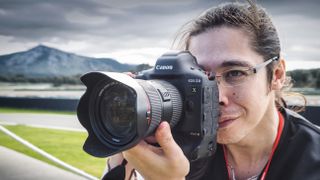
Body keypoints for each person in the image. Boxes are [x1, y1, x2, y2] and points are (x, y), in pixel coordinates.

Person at [102, 1, 320, 180]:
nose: (217, 97)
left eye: (235, 73)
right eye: (201, 78)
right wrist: (124, 146)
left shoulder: (312, 160)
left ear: (277, 75)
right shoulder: (178, 146)